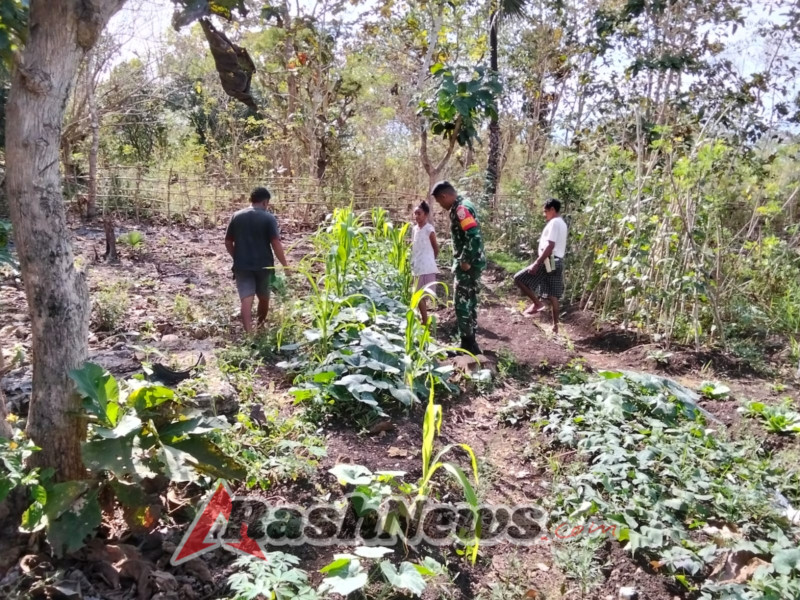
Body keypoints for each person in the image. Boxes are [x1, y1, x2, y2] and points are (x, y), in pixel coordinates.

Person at [431, 181, 486, 355]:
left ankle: (467, 345)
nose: (441, 206)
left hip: (468, 264)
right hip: (473, 263)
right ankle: (470, 344)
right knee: (470, 301)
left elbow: (474, 236)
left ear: (444, 196)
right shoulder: (463, 205)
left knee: (461, 304)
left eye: (440, 202)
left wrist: (465, 259)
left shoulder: (461, 209)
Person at [225, 187, 288, 334]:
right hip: (264, 265)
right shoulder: (268, 218)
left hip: (242, 266)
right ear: (265, 202)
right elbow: (276, 243)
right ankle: (260, 326)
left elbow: (228, 242)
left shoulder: (237, 216)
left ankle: (249, 334)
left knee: (246, 298)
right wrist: (285, 265)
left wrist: (237, 256)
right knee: (264, 297)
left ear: (251, 200)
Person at [514, 198, 568, 333]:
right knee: (552, 293)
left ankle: (537, 304)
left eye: (546, 211)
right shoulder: (562, 223)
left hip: (549, 259)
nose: (544, 214)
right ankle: (555, 326)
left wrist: (537, 263)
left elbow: (550, 245)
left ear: (552, 210)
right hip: (557, 260)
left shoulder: (555, 223)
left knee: (519, 278)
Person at [411, 200, 439, 325]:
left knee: (420, 295)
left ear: (426, 214)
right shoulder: (414, 229)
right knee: (418, 295)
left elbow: (435, 247)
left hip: (427, 266)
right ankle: (424, 319)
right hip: (417, 265)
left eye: (419, 213)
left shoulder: (429, 229)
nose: (416, 216)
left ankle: (425, 320)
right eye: (415, 213)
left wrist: (431, 260)